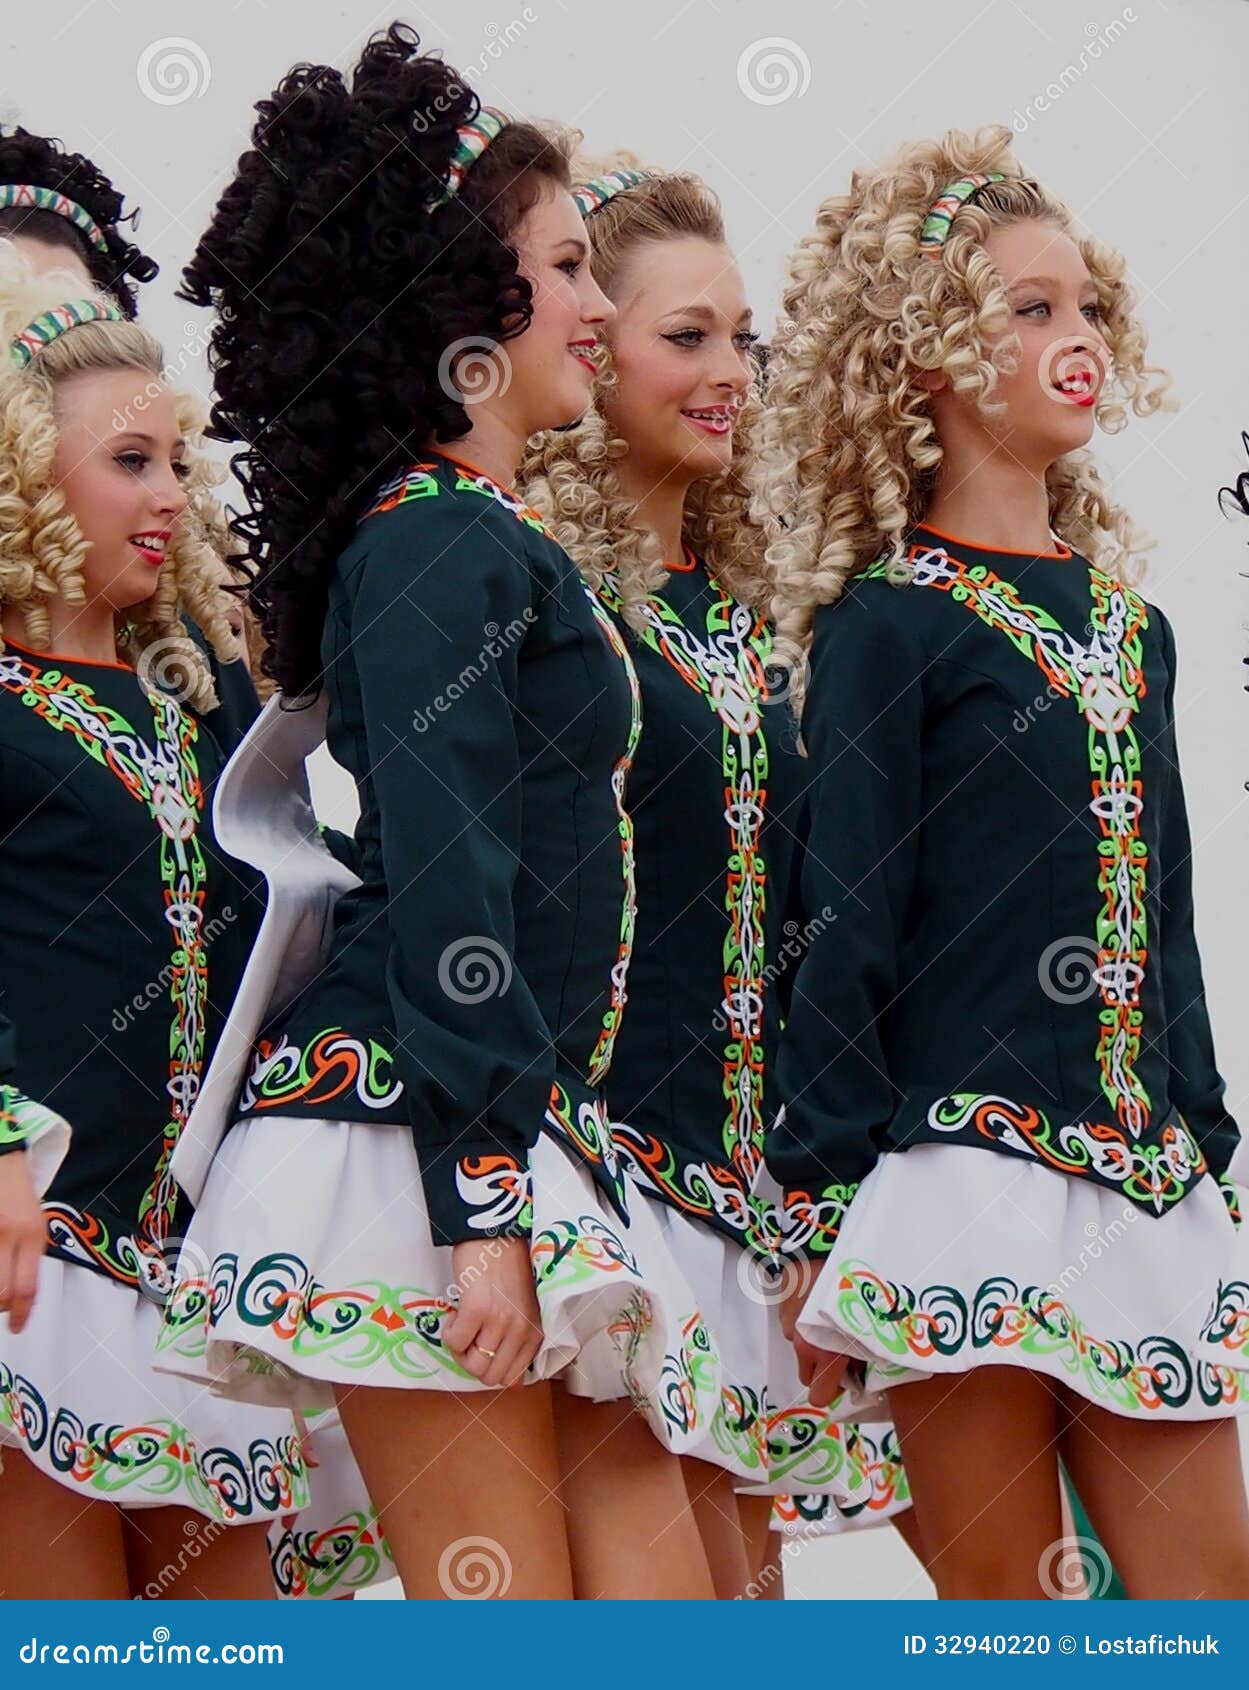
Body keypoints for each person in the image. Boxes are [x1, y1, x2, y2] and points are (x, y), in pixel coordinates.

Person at [156, 25, 718, 1600]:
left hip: (504, 1123)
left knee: (662, 1621)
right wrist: (478, 1203)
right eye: (567, 267)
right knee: (509, 1627)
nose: (598, 305)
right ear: (460, 306)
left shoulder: (480, 536)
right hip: (413, 1139)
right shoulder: (429, 545)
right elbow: (452, 878)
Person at [760, 124, 1249, 1599]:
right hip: (959, 1179)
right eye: (1030, 309)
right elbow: (842, 925)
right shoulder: (885, 626)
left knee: (1210, 1602)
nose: (1076, 337)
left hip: (1143, 1180)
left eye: (1087, 304)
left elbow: (1166, 915)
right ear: (925, 355)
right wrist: (817, 1200)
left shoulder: (1134, 631)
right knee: (1015, 1616)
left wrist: (1207, 1142)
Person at [0, 249, 308, 1598]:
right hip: (32, 1251)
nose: (174, 495)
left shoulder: (198, 702)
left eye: (178, 461)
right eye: (131, 461)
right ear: (20, 474)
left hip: (188, 1268)